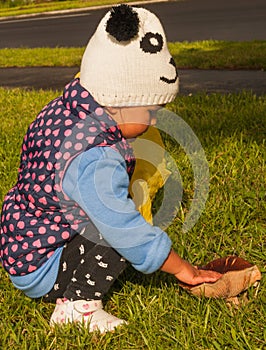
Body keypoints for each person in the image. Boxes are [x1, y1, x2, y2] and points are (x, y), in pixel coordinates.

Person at [0, 4, 221, 333]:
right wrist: (182, 269)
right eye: (150, 109)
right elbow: (125, 229)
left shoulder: (65, 111)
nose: (155, 119)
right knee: (116, 225)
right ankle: (78, 307)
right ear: (118, 98)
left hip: (24, 243)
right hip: (43, 265)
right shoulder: (95, 156)